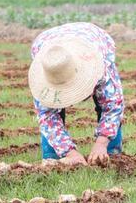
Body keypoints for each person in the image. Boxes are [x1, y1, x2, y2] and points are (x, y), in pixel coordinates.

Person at [28, 22, 124, 165]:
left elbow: (114, 105)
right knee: (50, 106)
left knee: (105, 99)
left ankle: (111, 153)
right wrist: (69, 152)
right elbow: (47, 116)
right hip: (46, 41)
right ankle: (53, 157)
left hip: (93, 40)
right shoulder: (48, 64)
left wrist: (101, 143)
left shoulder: (100, 66)